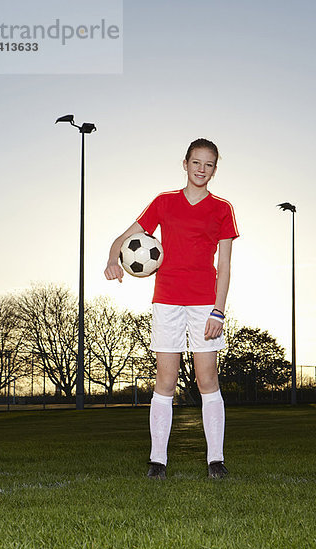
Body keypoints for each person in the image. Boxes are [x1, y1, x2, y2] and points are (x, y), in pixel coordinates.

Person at [104, 138, 239, 479]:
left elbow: (225, 266)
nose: (201, 169)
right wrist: (112, 261)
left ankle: (216, 461)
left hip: (204, 303)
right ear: (185, 163)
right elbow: (121, 240)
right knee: (164, 381)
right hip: (166, 300)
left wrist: (218, 311)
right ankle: (157, 462)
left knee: (207, 379)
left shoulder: (222, 209)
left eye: (208, 164)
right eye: (196, 162)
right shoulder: (164, 203)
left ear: (215, 169)